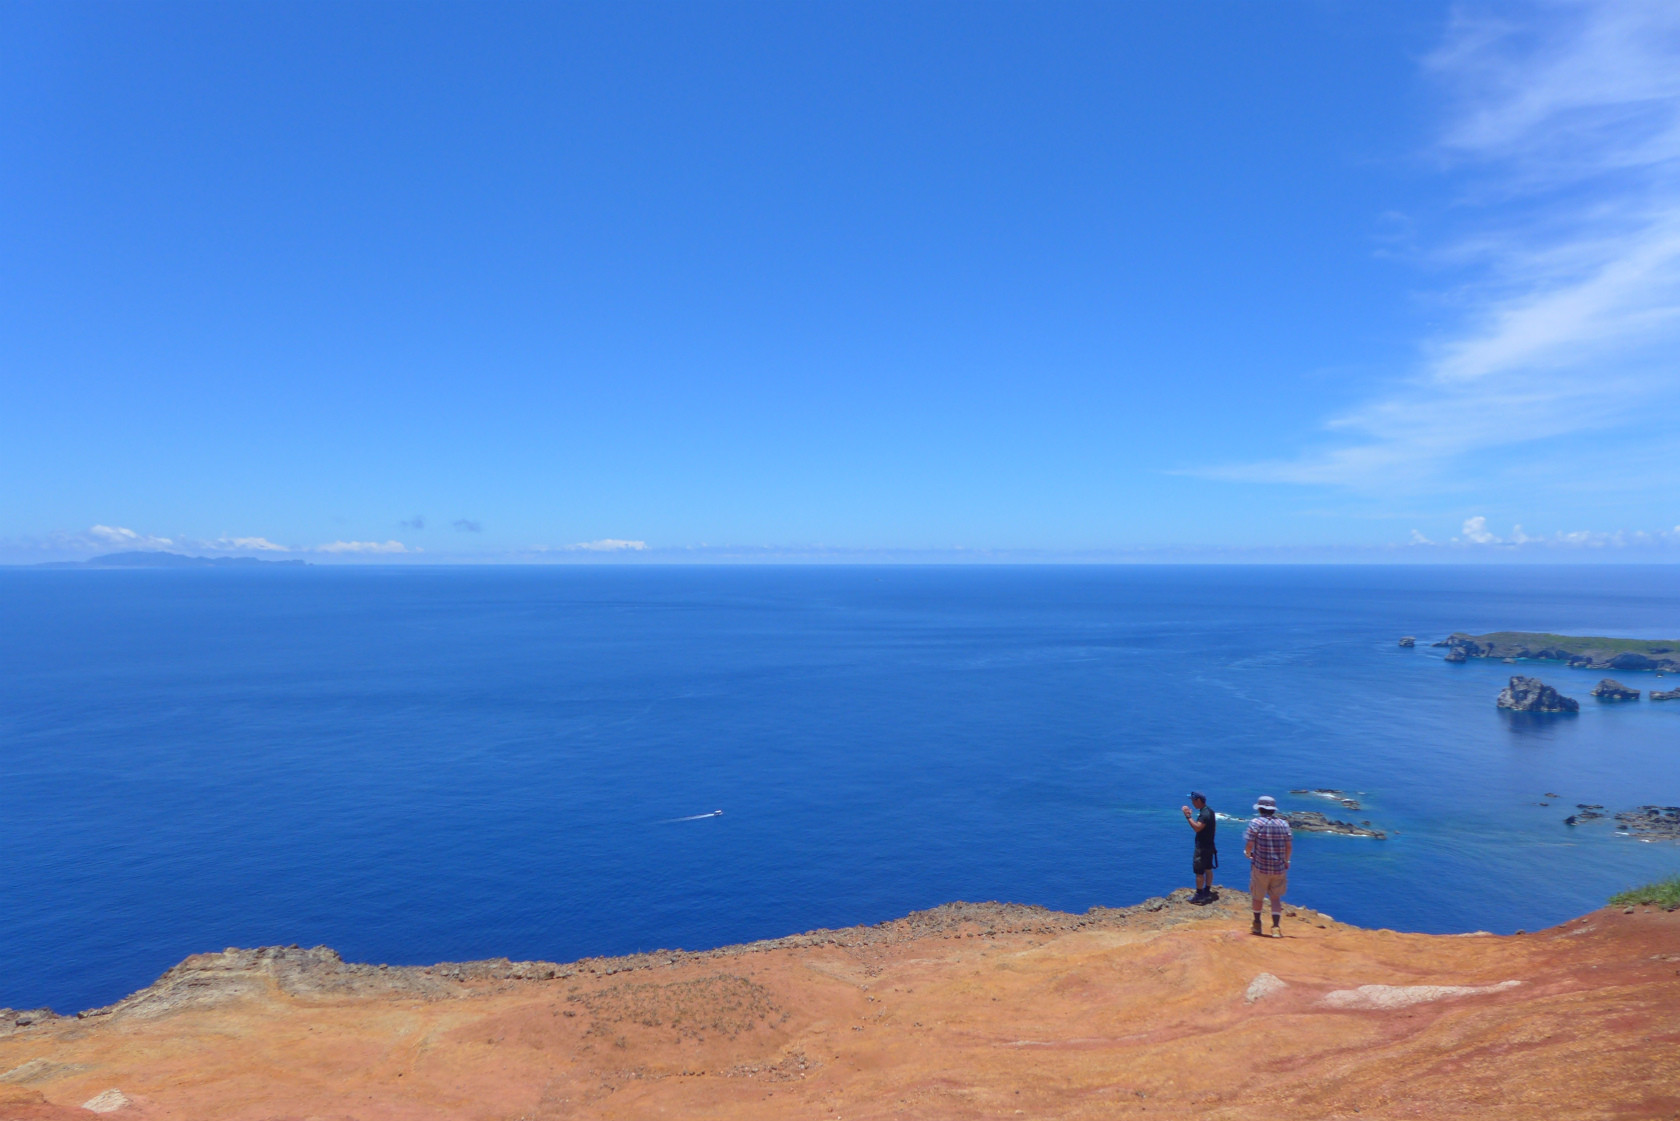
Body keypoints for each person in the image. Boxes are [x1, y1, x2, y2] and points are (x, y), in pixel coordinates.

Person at [1243, 795, 1292, 937]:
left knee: (1258, 897)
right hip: (1279, 868)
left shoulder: (1255, 822)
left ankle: (1257, 924)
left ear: (1260, 809)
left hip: (1260, 867)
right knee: (1275, 898)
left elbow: (1250, 844)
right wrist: (1286, 861)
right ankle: (1276, 927)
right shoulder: (1284, 824)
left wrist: (1247, 853)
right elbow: (1289, 846)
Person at [1180, 791, 1217, 903]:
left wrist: (1188, 817)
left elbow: (1197, 827)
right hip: (1210, 845)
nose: (1192, 803)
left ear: (1199, 800)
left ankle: (1199, 894)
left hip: (1202, 847)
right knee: (1208, 869)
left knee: (1199, 872)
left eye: (1193, 800)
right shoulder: (1210, 811)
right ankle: (1207, 890)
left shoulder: (1205, 814)